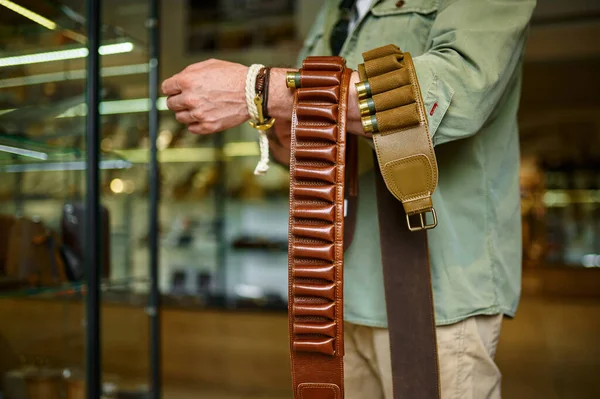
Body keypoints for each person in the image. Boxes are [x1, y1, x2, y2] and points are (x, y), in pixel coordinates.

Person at [162, 0, 537, 397]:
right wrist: (282, 129)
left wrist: (259, 87)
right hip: (336, 288)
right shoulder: (336, 10)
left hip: (436, 291)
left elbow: (453, 91)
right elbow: (311, 128)